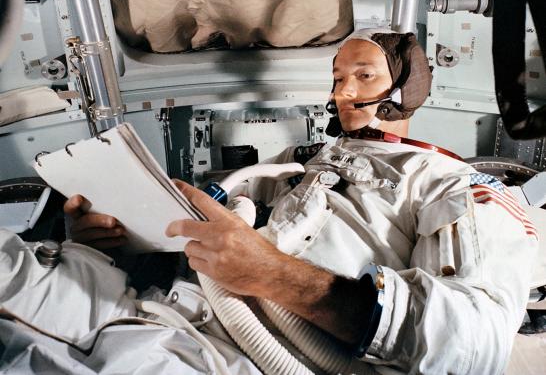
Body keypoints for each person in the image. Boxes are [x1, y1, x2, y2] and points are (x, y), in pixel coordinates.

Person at [64, 28, 538, 373]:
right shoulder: (297, 161)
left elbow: (476, 343)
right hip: (172, 312)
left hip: (252, 357)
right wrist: (121, 237)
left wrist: (273, 275)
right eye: (336, 78)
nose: (343, 92)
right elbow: (213, 222)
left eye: (364, 76)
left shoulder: (451, 182)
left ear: (405, 89)